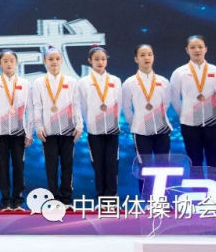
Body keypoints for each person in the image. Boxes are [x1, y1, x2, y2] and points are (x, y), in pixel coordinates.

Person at [32, 47, 82, 208]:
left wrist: (79, 125)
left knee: (67, 165)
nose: (54, 62)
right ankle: (53, 198)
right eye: (50, 59)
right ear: (44, 61)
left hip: (68, 130)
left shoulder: (71, 82)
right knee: (51, 166)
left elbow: (76, 105)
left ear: (61, 60)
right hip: (48, 131)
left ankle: (66, 199)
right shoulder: (39, 83)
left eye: (57, 59)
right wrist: (38, 126)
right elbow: (37, 106)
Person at [169, 35, 216, 170]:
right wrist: (185, 114)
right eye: (193, 47)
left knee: (215, 162)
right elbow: (174, 98)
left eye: (200, 47)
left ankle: (215, 184)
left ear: (206, 49)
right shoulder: (179, 73)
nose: (197, 50)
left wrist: (211, 113)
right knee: (194, 162)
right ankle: (197, 184)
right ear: (187, 50)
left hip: (214, 124)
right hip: (189, 125)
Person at [121, 44, 172, 193]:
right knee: (144, 166)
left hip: (162, 129)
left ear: (153, 57)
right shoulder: (129, 83)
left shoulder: (163, 81)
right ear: (136, 59)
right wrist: (137, 124)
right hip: (140, 132)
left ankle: (163, 197)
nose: (147, 58)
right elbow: (127, 108)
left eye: (149, 54)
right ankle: (147, 198)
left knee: (164, 166)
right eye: (142, 55)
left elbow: (166, 104)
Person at [0, 50, 32, 211]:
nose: (9, 63)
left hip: (19, 132)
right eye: (5, 61)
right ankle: (5, 202)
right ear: (0, 64)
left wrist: (29, 132)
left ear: (16, 63)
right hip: (0, 132)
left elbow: (30, 109)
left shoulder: (25, 83)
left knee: (19, 167)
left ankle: (18, 202)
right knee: (2, 167)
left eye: (12, 60)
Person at [77, 45, 121, 199]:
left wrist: (114, 123)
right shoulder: (84, 82)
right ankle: (101, 197)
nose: (100, 62)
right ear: (90, 60)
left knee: (112, 163)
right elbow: (82, 106)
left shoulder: (115, 80)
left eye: (103, 59)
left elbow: (119, 104)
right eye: (96, 59)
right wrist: (89, 123)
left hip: (112, 129)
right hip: (94, 130)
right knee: (98, 164)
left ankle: (112, 196)